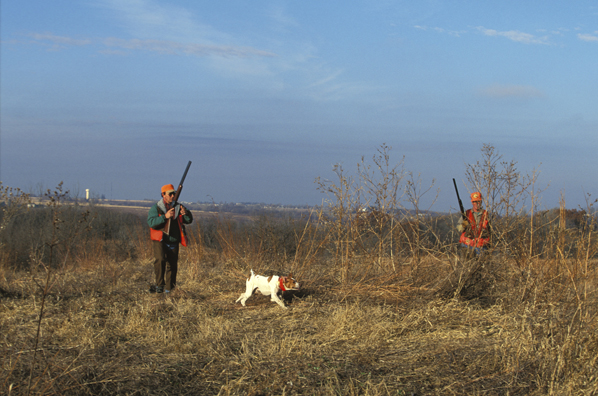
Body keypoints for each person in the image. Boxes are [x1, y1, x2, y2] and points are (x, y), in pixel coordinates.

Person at [147, 184, 193, 294]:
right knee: (160, 260)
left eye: (174, 193)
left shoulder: (179, 207)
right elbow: (151, 223)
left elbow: (189, 219)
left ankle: (170, 290)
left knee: (172, 265)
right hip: (160, 240)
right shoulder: (156, 208)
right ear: (163, 195)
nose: (173, 196)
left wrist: (185, 213)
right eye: (170, 194)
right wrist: (165, 217)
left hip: (173, 240)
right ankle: (159, 286)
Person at [457, 191, 491, 257]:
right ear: (472, 202)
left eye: (478, 201)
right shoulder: (466, 213)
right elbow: (459, 229)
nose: (476, 204)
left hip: (481, 245)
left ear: (481, 202)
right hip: (468, 245)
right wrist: (464, 224)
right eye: (474, 202)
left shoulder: (486, 214)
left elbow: (490, 231)